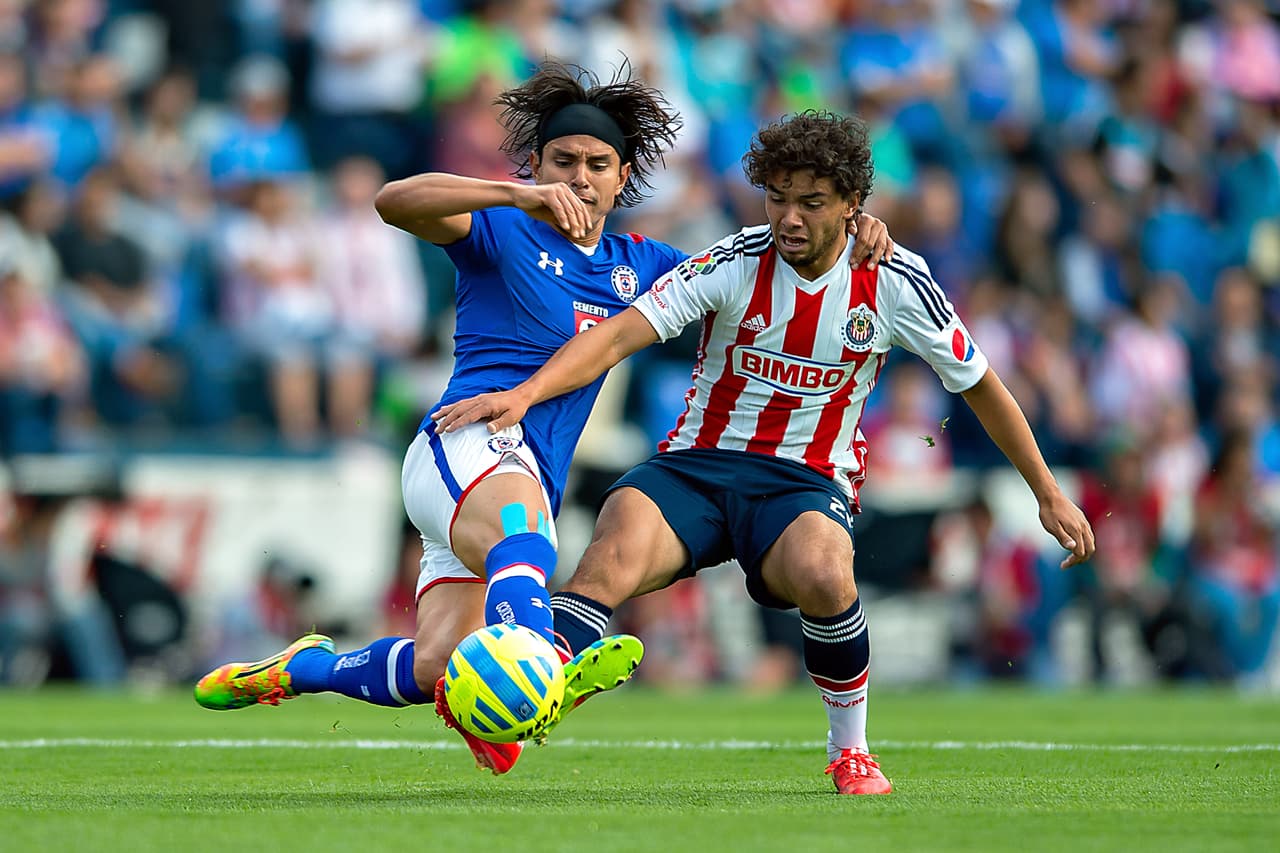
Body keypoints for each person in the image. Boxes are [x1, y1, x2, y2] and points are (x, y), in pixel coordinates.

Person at [192, 65, 900, 776]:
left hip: (526, 474)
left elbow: (764, 266)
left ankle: (304, 669)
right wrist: (512, 193)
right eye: (564, 161)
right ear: (537, 165)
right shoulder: (502, 229)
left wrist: (855, 228)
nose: (580, 177)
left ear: (622, 178)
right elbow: (392, 201)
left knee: (435, 667)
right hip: (468, 443)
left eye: (598, 164)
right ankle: (541, 675)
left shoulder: (644, 266)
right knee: (527, 538)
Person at [434, 109, 1096, 794]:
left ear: (852, 204)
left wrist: (1047, 492)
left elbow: (982, 386)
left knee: (826, 571)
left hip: (802, 480)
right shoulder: (733, 261)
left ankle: (851, 750)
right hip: (695, 466)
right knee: (610, 553)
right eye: (778, 198)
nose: (789, 218)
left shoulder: (896, 281)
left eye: (812, 202)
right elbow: (618, 335)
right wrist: (525, 394)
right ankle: (527, 693)